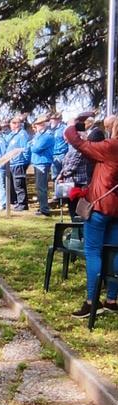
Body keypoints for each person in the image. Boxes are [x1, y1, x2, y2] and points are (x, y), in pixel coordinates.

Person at [64, 116, 118, 318]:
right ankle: (112, 300)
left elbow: (78, 143)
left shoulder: (112, 146)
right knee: (113, 252)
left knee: (93, 252)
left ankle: (91, 301)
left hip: (101, 206)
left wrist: (72, 125)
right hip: (116, 209)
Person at [25, 114, 55, 216]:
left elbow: (35, 148)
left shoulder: (47, 136)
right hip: (38, 162)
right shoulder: (39, 135)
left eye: (37, 125)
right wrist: (32, 144)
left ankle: (45, 209)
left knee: (42, 187)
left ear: (42, 125)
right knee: (39, 187)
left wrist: (32, 144)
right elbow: (29, 144)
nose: (35, 127)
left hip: (42, 163)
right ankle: (42, 207)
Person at [6, 116, 30, 211]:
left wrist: (25, 162)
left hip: (19, 162)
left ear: (17, 124)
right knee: (15, 185)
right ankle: (18, 202)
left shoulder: (22, 134)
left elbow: (25, 149)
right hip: (12, 162)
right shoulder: (13, 134)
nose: (10, 126)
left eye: (12, 123)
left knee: (19, 184)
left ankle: (23, 204)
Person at [49, 112, 68, 179]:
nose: (52, 121)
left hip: (62, 154)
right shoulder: (50, 129)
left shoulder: (64, 129)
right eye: (51, 119)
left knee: (63, 175)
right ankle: (56, 189)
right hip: (53, 155)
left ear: (59, 120)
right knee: (54, 176)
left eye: (54, 119)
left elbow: (67, 141)